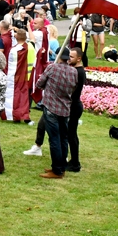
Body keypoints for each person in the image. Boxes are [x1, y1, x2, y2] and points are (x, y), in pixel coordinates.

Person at [35, 49, 78, 179]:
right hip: (65, 109)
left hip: (51, 108)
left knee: (54, 139)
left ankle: (57, 170)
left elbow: (39, 83)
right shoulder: (73, 71)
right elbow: (74, 87)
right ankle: (60, 167)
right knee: (63, 139)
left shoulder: (52, 68)